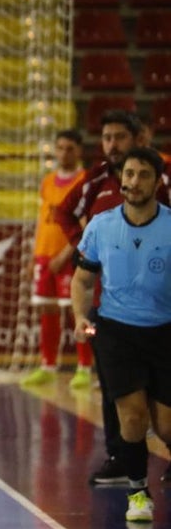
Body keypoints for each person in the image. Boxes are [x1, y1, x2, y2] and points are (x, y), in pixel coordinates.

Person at [55, 110, 171, 485]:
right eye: (129, 175)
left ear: (157, 182)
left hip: (164, 330)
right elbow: (82, 279)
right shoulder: (102, 221)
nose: (133, 181)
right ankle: (137, 489)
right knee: (131, 414)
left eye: (143, 175)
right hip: (115, 328)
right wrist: (80, 317)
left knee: (166, 424)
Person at [21, 129, 94, 389]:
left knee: (79, 312)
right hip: (44, 256)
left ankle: (85, 367)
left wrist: (66, 255)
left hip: (72, 257)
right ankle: (47, 366)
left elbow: (87, 223)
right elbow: (43, 221)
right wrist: (34, 257)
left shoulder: (86, 181)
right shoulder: (48, 181)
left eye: (70, 148)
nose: (64, 153)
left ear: (79, 151)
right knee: (47, 310)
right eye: (60, 148)